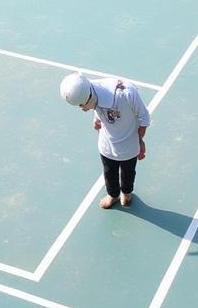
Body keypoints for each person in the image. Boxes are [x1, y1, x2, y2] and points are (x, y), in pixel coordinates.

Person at [60, 72, 150, 209]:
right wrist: (96, 120)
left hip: (129, 145)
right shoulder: (90, 90)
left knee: (128, 172)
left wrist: (140, 141)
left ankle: (126, 192)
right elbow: (97, 106)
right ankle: (113, 195)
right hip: (106, 145)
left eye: (81, 105)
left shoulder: (127, 93)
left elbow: (143, 118)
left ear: (89, 96)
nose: (82, 109)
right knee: (109, 172)